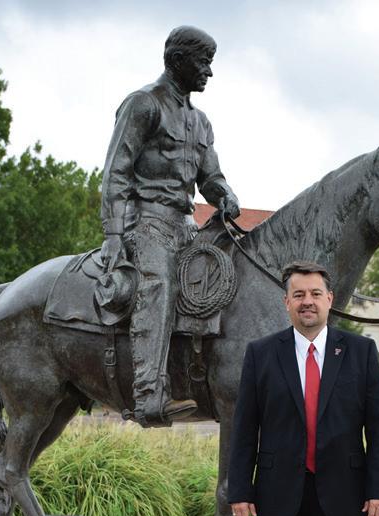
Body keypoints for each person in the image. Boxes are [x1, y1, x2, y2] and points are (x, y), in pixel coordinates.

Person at [100, 26, 240, 426]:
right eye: (204, 62)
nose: (209, 72)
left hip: (186, 224)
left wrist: (225, 194)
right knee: (159, 283)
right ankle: (149, 393)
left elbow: (210, 178)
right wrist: (113, 234)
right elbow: (115, 173)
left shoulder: (200, 122)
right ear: (177, 60)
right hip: (145, 221)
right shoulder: (143, 104)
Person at [228, 261, 379, 516]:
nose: (307, 301)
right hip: (278, 495)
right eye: (299, 294)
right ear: (286, 302)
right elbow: (245, 428)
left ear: (329, 299)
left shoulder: (361, 351)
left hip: (345, 493)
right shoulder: (260, 353)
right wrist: (240, 491)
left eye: (315, 294)